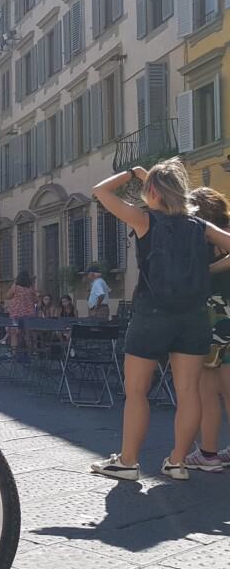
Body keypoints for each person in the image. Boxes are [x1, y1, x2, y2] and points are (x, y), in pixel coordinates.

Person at [90, 160, 230, 481]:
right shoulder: (199, 226)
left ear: (152, 191)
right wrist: (212, 269)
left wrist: (134, 173)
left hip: (152, 315)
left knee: (137, 391)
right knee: (188, 393)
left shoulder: (144, 220)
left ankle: (127, 462)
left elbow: (100, 191)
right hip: (193, 317)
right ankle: (178, 461)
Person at [185, 187, 230, 470]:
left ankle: (208, 453)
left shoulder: (198, 234)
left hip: (209, 313)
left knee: (207, 389)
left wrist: (210, 270)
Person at [4, 271, 37, 356]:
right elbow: (35, 300)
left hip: (16, 313)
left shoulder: (15, 286)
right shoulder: (30, 288)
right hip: (29, 314)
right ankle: (31, 352)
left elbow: (7, 296)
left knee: (14, 332)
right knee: (27, 333)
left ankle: (14, 352)